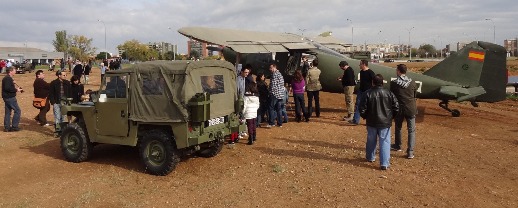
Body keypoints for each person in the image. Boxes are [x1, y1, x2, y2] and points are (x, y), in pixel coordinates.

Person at [360, 74, 399, 170]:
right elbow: (396, 107)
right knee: (385, 142)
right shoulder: (389, 93)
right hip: (385, 122)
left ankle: (370, 157)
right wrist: (390, 117)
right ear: (382, 82)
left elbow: (362, 109)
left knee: (371, 140)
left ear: (372, 82)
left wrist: (365, 116)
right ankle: (384, 163)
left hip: (371, 122)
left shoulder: (367, 93)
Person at [390, 64, 418, 159]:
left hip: (399, 109)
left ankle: (398, 145)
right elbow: (414, 95)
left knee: (398, 127)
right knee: (411, 130)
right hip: (411, 108)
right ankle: (410, 152)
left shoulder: (394, 83)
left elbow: (392, 97)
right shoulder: (412, 82)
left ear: (398, 71)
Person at [350, 59, 376, 125]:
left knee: (369, 107)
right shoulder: (361, 72)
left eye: (360, 64)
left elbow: (374, 82)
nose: (359, 65)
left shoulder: (371, 72)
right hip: (361, 91)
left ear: (364, 64)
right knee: (358, 105)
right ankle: (355, 120)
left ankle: (370, 121)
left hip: (368, 91)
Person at [2, 67, 23, 132]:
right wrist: (17, 90)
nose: (15, 71)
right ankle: (14, 126)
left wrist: (12, 83)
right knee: (17, 111)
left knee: (8, 112)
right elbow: (7, 88)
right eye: (14, 70)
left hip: (6, 97)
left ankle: (7, 127)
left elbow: (8, 86)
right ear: (10, 71)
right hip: (10, 97)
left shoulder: (8, 78)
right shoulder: (8, 78)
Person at [266, 63, 285, 128]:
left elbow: (273, 86)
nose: (270, 69)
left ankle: (271, 122)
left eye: (271, 68)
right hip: (280, 94)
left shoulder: (274, 75)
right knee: (279, 109)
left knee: (271, 108)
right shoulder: (280, 74)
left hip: (274, 94)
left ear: (274, 67)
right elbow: (282, 84)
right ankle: (280, 123)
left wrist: (270, 92)